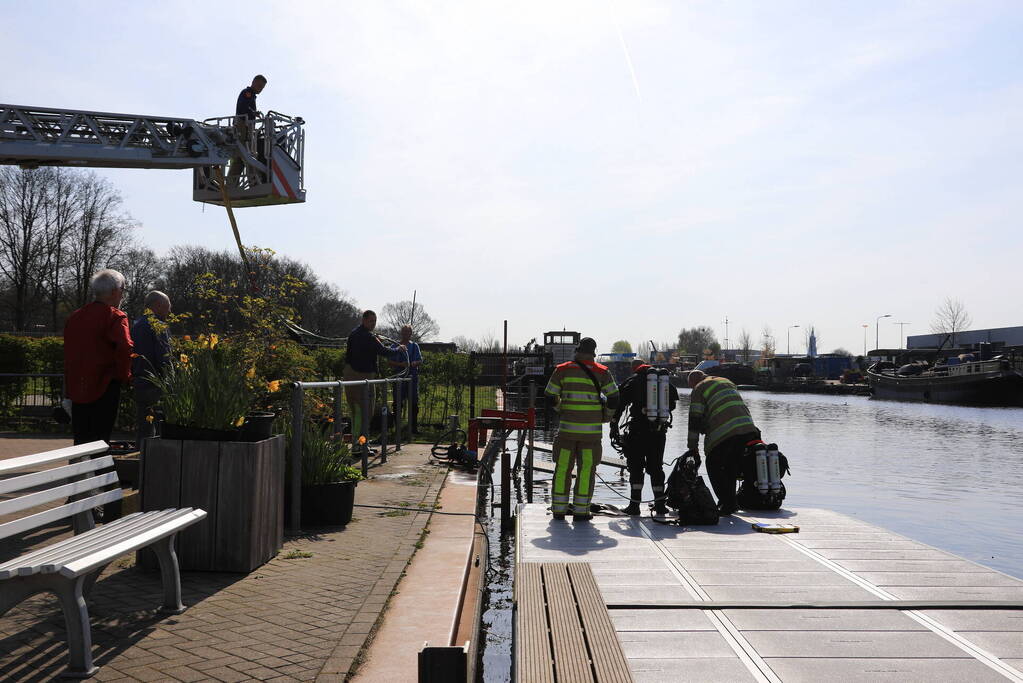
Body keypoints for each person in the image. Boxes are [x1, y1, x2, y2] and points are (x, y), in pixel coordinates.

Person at [544, 337, 619, 522]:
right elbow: (614, 397)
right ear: (594, 352)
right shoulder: (602, 371)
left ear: (577, 350)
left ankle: (559, 510)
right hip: (590, 435)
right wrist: (606, 416)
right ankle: (581, 512)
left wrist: (560, 408)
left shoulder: (562, 369)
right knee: (586, 471)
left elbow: (550, 395)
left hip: (566, 433)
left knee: (562, 469)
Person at [63, 269, 133, 448]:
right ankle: (99, 467)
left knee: (81, 439)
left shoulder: (75, 316)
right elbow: (125, 347)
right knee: (100, 440)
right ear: (115, 291)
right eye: (123, 290)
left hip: (78, 386)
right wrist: (124, 376)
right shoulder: (115, 316)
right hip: (105, 385)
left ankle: (79, 466)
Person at [685, 370, 761, 515]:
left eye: (691, 386)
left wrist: (692, 447)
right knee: (730, 466)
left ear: (694, 382)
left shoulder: (699, 388)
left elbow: (694, 420)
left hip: (726, 431)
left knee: (713, 465)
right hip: (748, 430)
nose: (692, 389)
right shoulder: (726, 381)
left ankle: (727, 503)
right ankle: (730, 502)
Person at [611, 360, 679, 516]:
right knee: (656, 467)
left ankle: (634, 506)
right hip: (659, 432)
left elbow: (619, 404)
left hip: (638, 432)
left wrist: (614, 425)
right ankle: (660, 505)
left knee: (636, 467)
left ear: (634, 369)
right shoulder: (663, 381)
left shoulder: (633, 381)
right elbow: (673, 405)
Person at [344, 310, 404, 439]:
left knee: (355, 410)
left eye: (375, 321)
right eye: (371, 321)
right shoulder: (369, 337)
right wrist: (398, 349)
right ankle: (361, 442)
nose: (373, 323)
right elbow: (384, 351)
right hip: (363, 376)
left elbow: (374, 347)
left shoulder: (354, 334)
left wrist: (377, 341)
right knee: (366, 410)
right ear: (363, 320)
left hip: (350, 374)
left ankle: (357, 441)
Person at [131, 291, 172, 457]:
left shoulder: (137, 325)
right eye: (168, 306)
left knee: (144, 427)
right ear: (158, 305)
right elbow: (164, 357)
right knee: (161, 427)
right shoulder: (159, 326)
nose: (169, 310)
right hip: (156, 383)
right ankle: (157, 461)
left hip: (140, 381)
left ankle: (139, 460)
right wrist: (171, 380)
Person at [228, 74, 267, 185]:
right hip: (243, 126)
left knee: (239, 157)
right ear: (253, 82)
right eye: (259, 86)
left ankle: (231, 184)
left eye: (262, 88)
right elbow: (243, 108)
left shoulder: (251, 95)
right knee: (248, 154)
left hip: (244, 126)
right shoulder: (247, 93)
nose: (260, 89)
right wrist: (253, 112)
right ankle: (254, 182)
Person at [387, 325, 422, 434]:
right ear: (401, 333)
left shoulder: (414, 346)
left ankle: (413, 428)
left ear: (411, 333)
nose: (406, 334)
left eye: (408, 332)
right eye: (404, 331)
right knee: (397, 403)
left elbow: (420, 360)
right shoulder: (395, 346)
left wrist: (413, 363)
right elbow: (389, 362)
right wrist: (401, 364)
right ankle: (397, 428)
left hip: (412, 378)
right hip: (399, 377)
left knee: (414, 403)